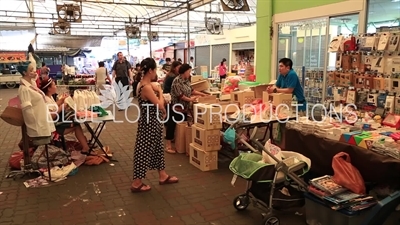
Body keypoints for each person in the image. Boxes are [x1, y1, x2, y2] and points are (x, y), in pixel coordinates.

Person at [131, 57, 178, 193]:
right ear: (150, 70)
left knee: (157, 149)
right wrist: (161, 92)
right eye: (155, 69)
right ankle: (136, 182)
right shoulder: (146, 88)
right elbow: (160, 105)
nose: (155, 72)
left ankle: (162, 175)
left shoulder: (142, 84)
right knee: (143, 151)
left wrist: (156, 88)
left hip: (151, 122)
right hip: (149, 123)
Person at [40, 78, 91, 155]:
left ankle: (85, 145)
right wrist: (61, 107)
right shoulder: (46, 100)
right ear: (49, 88)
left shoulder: (49, 97)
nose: (56, 86)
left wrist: (62, 100)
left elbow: (54, 106)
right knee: (76, 125)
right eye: (54, 85)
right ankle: (85, 147)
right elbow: (51, 116)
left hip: (57, 123)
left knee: (76, 122)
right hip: (55, 127)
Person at [168, 64, 208, 154]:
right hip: (177, 107)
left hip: (185, 107)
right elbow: (180, 95)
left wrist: (203, 94)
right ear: (184, 71)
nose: (190, 73)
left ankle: (181, 144)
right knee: (172, 125)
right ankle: (168, 146)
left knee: (183, 126)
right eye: (189, 71)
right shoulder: (177, 81)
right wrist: (191, 99)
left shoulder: (186, 80)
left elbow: (192, 90)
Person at [18, 63, 55, 140]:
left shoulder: (32, 84)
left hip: (43, 122)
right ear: (25, 73)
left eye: (34, 69)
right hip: (38, 127)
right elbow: (27, 112)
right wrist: (36, 127)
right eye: (31, 70)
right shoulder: (24, 89)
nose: (34, 71)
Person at [162, 61, 182, 153]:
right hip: (170, 100)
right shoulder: (173, 77)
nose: (179, 69)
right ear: (174, 68)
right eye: (178, 67)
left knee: (169, 120)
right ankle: (168, 144)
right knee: (171, 121)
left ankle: (171, 138)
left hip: (167, 99)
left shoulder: (170, 75)